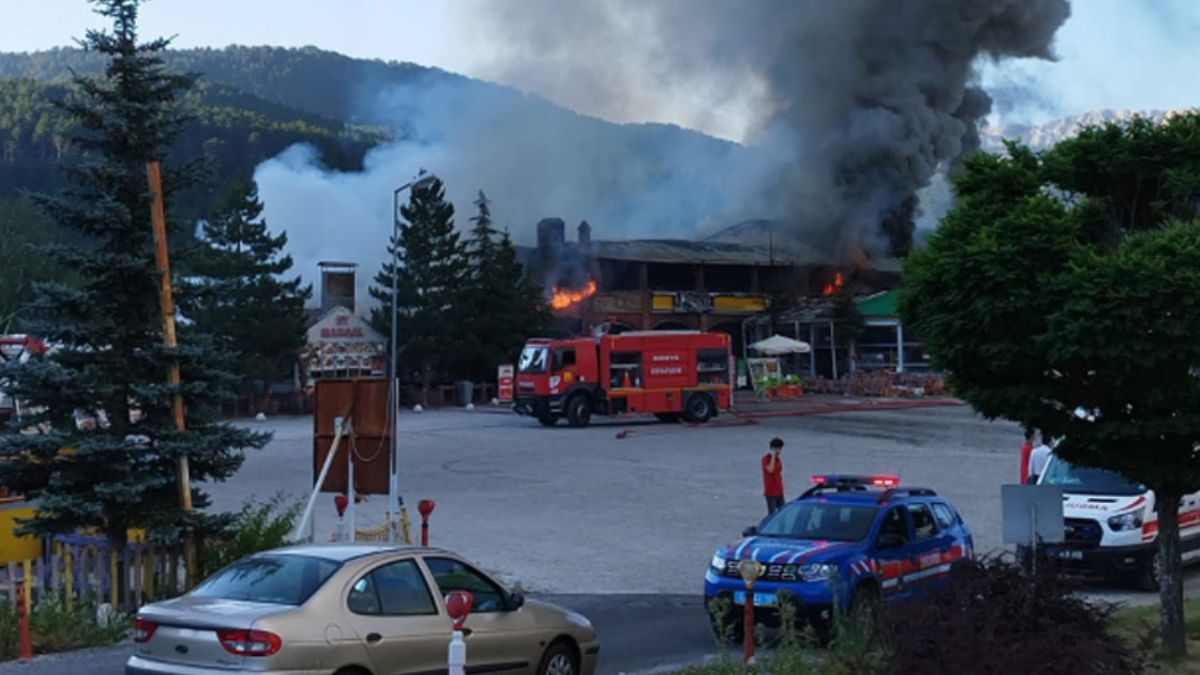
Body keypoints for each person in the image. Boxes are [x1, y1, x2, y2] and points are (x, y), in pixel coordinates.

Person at [762, 438, 785, 515]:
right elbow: (770, 469)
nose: (780, 451)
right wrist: (772, 456)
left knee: (782, 513)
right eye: (778, 449)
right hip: (770, 491)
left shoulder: (778, 460)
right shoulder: (766, 459)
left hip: (779, 490)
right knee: (772, 514)